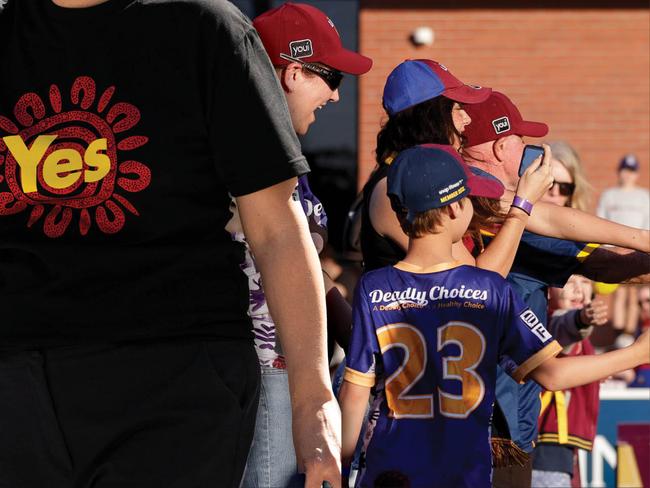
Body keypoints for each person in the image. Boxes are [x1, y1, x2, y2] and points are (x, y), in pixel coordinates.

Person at [0, 1, 340, 487]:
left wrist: (313, 400)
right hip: (17, 378)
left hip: (176, 375)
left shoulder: (206, 28)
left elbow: (278, 229)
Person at [338, 144, 650, 488]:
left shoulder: (374, 288)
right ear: (457, 207)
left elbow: (355, 392)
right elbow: (553, 374)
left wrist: (343, 465)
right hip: (463, 473)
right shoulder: (490, 289)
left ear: (400, 214)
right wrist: (635, 354)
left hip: (391, 471)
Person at [461, 90, 650, 487]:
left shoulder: (446, 205)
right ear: (499, 145)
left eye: (564, 188)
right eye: (521, 141)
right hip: (495, 428)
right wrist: (637, 353)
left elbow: (611, 263)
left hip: (500, 425)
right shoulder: (495, 215)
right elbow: (551, 372)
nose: (553, 191)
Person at [227, 4, 371, 487]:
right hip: (259, 365)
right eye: (331, 79)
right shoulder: (238, 153)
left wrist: (360, 338)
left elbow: (306, 267)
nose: (335, 97)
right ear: (292, 71)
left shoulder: (281, 159)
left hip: (290, 368)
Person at [532, 275, 605, 488]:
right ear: (547, 290)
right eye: (569, 281)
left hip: (557, 449)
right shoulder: (546, 321)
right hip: (546, 448)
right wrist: (581, 318)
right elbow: (563, 325)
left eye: (586, 282)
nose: (578, 290)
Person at [597, 154, 650, 345]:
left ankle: (629, 334)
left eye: (632, 171)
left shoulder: (644, 196)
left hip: (637, 248)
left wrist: (643, 247)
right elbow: (601, 220)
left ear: (636, 174)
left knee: (634, 291)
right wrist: (606, 247)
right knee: (618, 290)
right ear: (619, 172)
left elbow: (647, 223)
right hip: (614, 249)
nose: (628, 175)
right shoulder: (609, 195)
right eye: (625, 170)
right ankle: (619, 335)